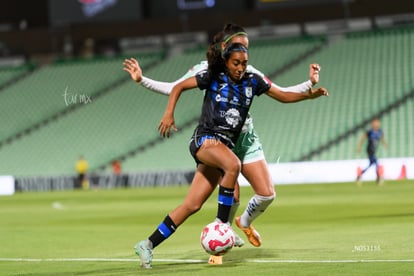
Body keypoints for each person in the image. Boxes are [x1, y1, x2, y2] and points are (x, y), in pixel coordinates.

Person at [123, 23, 322, 265]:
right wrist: (168, 113)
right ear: (226, 57)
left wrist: (307, 92)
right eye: (235, 62)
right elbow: (177, 87)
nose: (240, 68)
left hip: (224, 146)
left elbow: (282, 95)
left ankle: (147, 244)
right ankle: (222, 227)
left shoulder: (252, 80)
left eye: (243, 63)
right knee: (233, 165)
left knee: (192, 204)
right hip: (205, 139)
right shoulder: (211, 75)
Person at [356, 118, 387, 186]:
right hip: (369, 151)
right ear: (372, 124)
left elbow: (382, 138)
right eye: (375, 123)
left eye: (377, 122)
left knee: (371, 164)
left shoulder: (380, 131)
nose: (376, 124)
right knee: (376, 163)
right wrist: (359, 147)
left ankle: (360, 174)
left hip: (374, 151)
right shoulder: (369, 132)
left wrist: (385, 144)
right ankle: (378, 178)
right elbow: (362, 138)